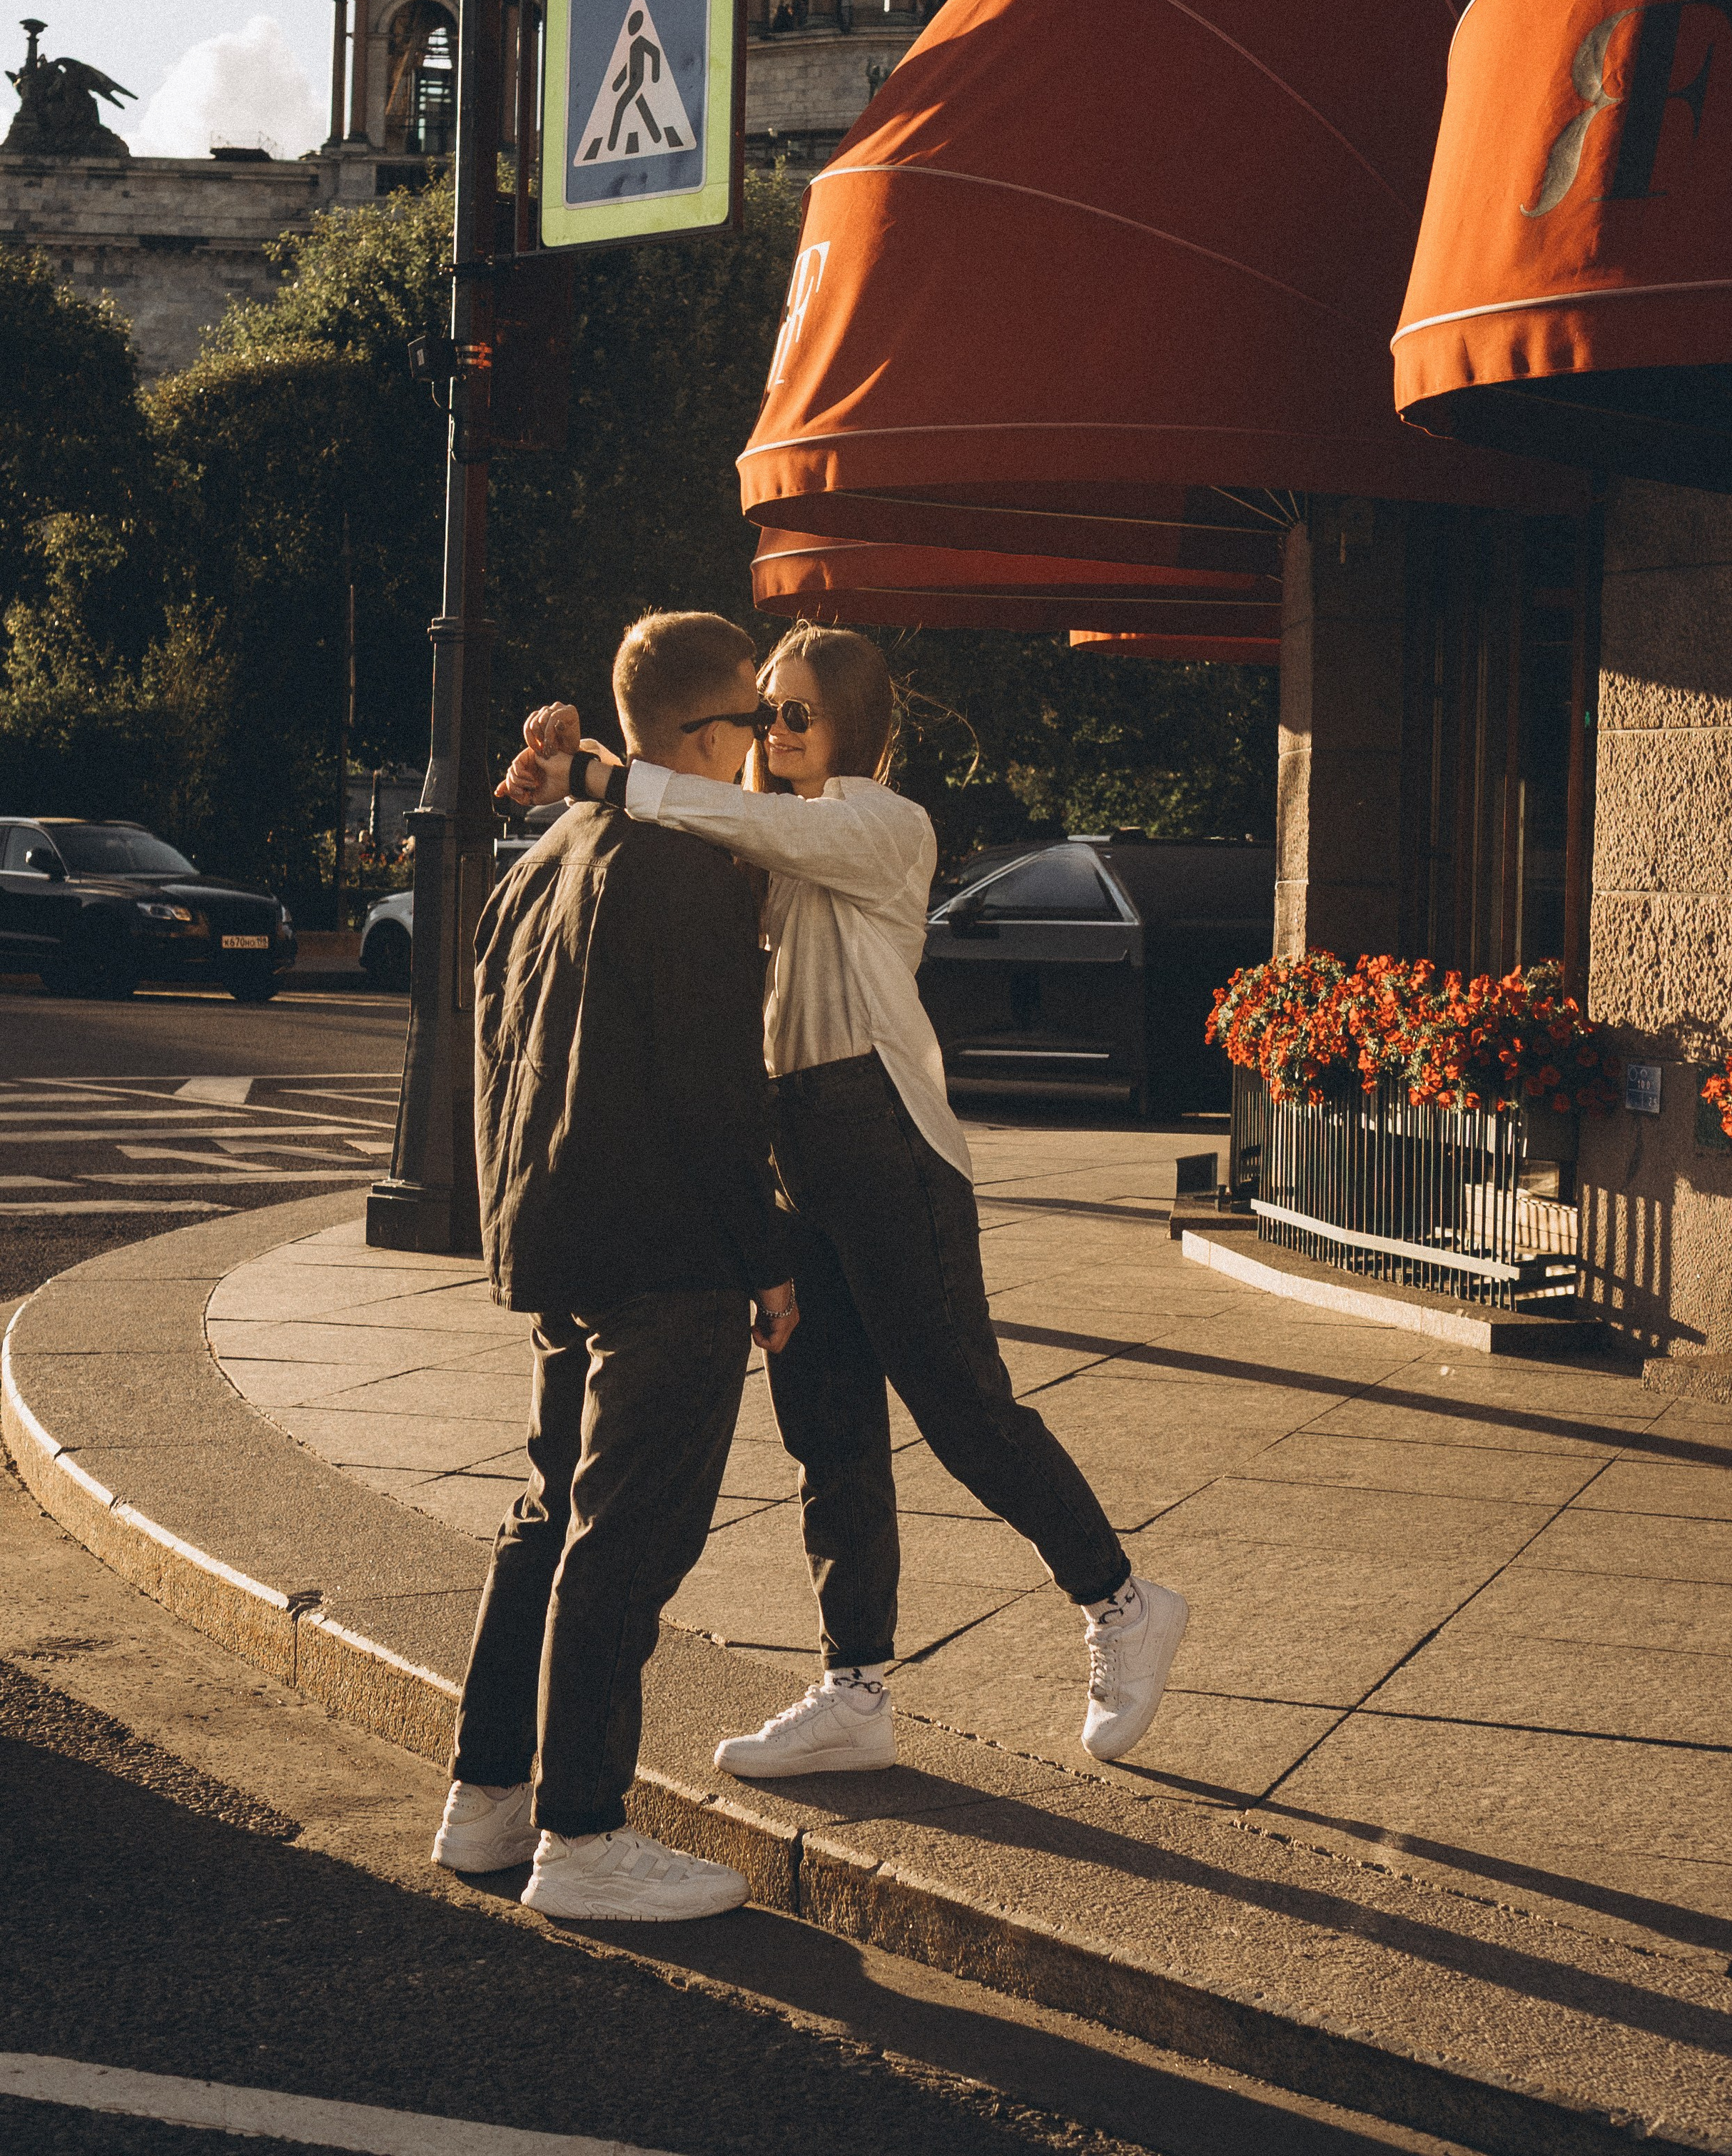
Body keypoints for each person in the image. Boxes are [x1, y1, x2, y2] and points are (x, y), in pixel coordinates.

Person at [504, 623, 1187, 1778]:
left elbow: (735, 815)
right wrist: (568, 775)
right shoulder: (758, 834)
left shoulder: (880, 823)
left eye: (796, 714)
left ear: (852, 726)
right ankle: (854, 1689)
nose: (772, 731)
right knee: (827, 1429)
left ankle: (1122, 1601)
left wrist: (608, 775)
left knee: (961, 1405)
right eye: (762, 711)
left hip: (883, 1140)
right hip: (793, 1147)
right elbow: (687, 826)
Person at [433, 609, 799, 1921]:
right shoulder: (689, 869)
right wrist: (767, 1257)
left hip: (563, 1238)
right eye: (756, 721)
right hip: (668, 1252)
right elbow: (716, 1096)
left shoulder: (552, 853)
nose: (764, 745)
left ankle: (487, 1797)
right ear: (704, 735)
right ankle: (583, 1835)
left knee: (548, 1517)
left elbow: (493, 1044)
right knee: (625, 1545)